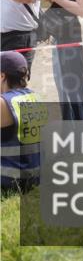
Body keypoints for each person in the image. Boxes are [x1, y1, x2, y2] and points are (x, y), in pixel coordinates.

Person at [0, 51, 46, 195]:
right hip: (37, 177)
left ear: (2, 76)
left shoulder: (4, 103)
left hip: (10, 181)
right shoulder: (37, 98)